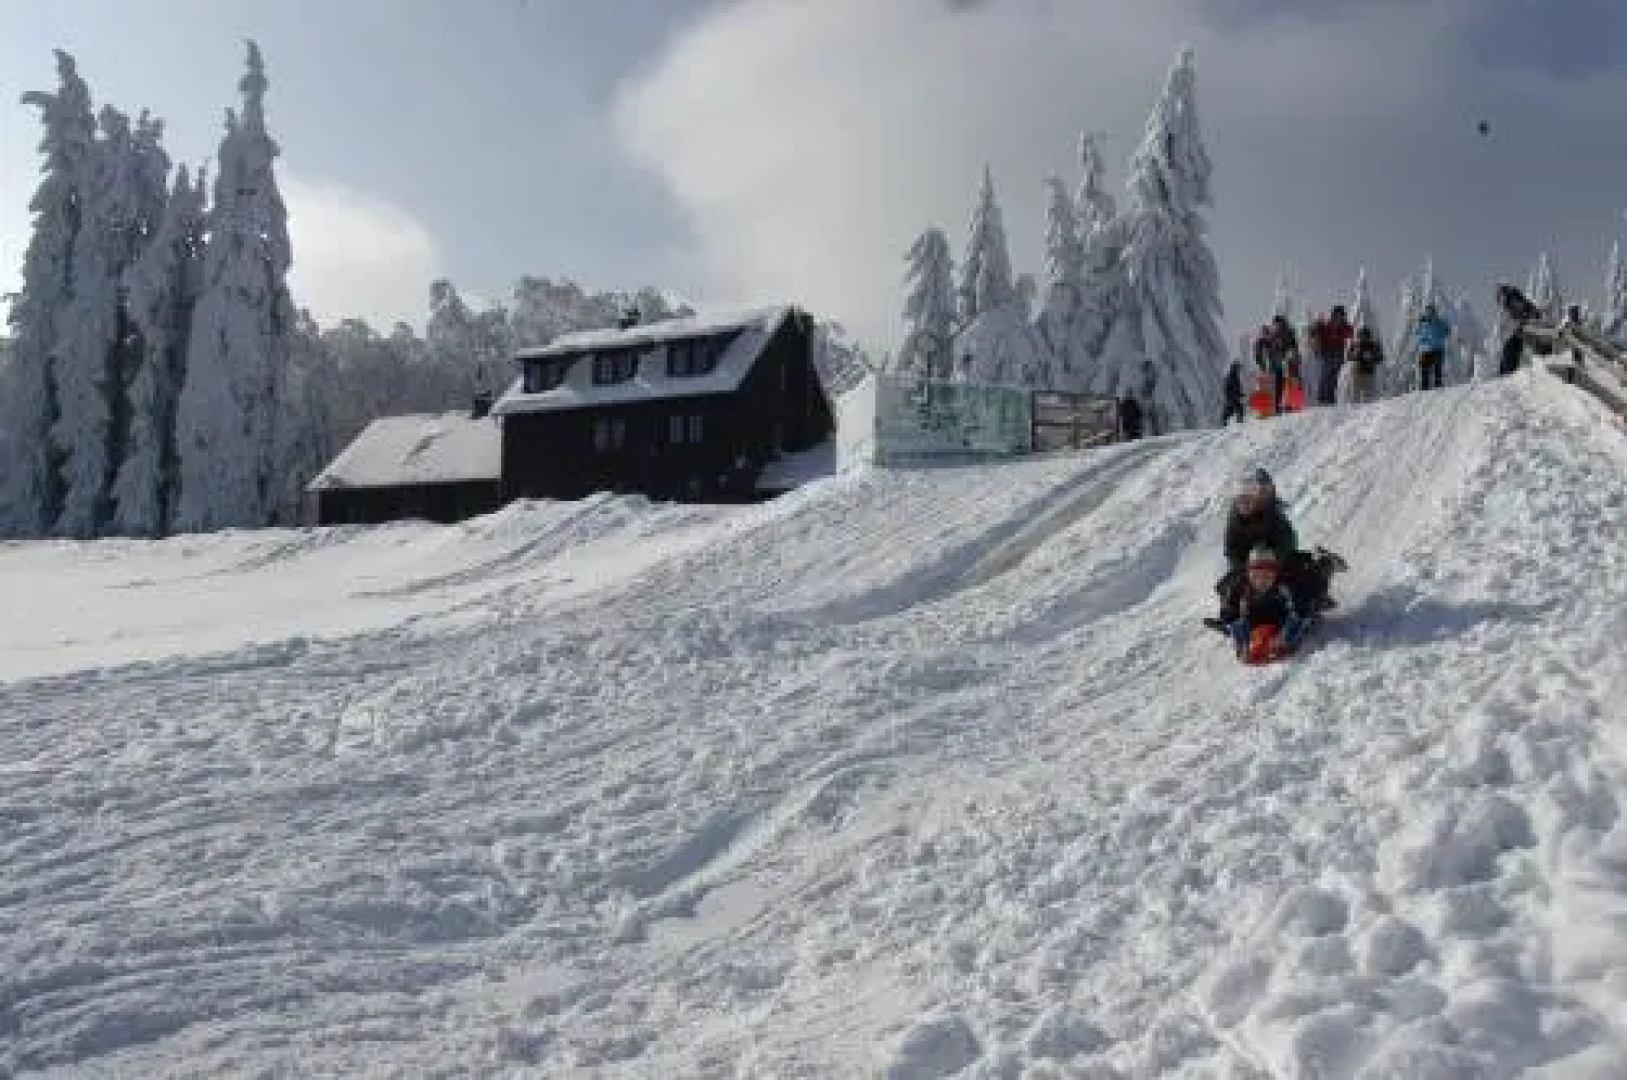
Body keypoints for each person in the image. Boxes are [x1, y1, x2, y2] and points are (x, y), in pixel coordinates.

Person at [1214, 469, 1335, 623]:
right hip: (1250, 562)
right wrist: (1241, 566)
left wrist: (1274, 559)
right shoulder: (1234, 518)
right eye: (1243, 498)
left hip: (1277, 557)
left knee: (1296, 574)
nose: (1247, 503)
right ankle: (1229, 615)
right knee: (1231, 584)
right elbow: (1231, 548)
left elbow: (1288, 539)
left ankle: (1316, 596)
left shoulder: (1272, 513)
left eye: (1264, 491)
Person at [1222, 547, 1309, 661]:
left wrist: (1284, 637)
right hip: (1255, 620)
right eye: (1255, 576)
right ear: (1248, 574)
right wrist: (1241, 640)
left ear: (1275, 574)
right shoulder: (1241, 587)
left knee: (1296, 620)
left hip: (1280, 618)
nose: (1261, 582)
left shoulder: (1284, 586)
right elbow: (1229, 613)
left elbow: (1298, 612)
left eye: (1267, 576)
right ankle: (1246, 646)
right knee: (1238, 623)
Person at [1308, 304, 1354, 406]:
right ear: (1334, 315)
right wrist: (1316, 327)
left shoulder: (1344, 326)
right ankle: (1322, 399)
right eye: (1337, 315)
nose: (1339, 317)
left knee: (1335, 378)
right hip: (1327, 354)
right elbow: (1315, 331)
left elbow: (1350, 333)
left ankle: (1331, 399)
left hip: (1338, 355)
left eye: (1341, 315)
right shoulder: (1327, 325)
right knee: (1326, 376)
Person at [1414, 303, 1451, 391]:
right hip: (1430, 350)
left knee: (1433, 368)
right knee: (1428, 368)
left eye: (1430, 311)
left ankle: (1432, 387)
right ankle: (1428, 387)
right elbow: (1418, 334)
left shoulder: (1435, 322)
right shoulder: (1427, 323)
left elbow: (1447, 331)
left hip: (1435, 349)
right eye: (1428, 311)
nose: (1429, 313)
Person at [1346, 326, 1384, 404]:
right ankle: (1355, 408)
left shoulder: (1373, 345)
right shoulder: (1356, 345)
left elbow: (1380, 358)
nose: (1363, 339)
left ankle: (1366, 408)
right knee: (1356, 395)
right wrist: (1357, 356)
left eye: (1364, 336)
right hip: (1357, 372)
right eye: (1361, 336)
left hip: (1368, 372)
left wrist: (1372, 357)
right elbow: (1349, 356)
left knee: (1368, 395)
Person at [1221, 360, 1247, 425]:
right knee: (1232, 410)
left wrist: (1241, 394)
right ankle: (1225, 422)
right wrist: (1234, 396)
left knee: (1239, 409)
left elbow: (1237, 389)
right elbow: (1227, 389)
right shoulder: (1230, 378)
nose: (1239, 371)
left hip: (1234, 398)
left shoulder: (1235, 377)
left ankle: (1239, 422)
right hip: (1231, 398)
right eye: (1238, 369)